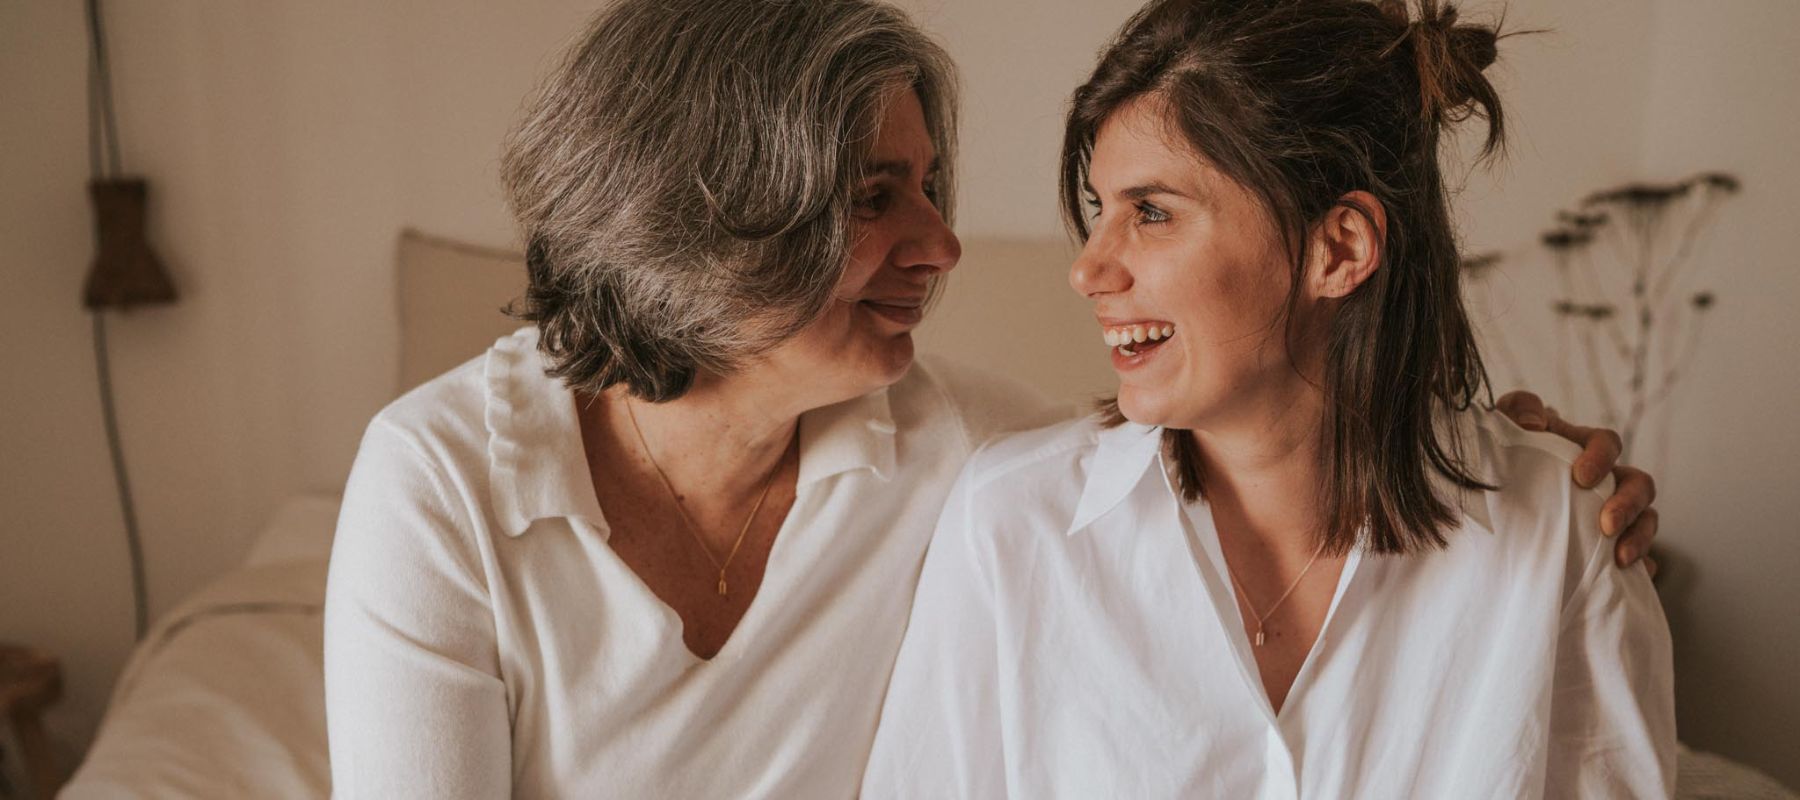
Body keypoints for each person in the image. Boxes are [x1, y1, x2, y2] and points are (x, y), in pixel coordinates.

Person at [323, 0, 1659, 796]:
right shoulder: (444, 485)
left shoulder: (976, 459)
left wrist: (1507, 456)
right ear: (713, 221)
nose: (945, 247)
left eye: (930, 185)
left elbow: (1224, 421)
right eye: (872, 197)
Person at [863, 1, 1675, 797]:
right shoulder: (1011, 523)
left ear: (1338, 248)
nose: (1089, 270)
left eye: (1150, 212)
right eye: (1098, 211)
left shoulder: (1564, 537)